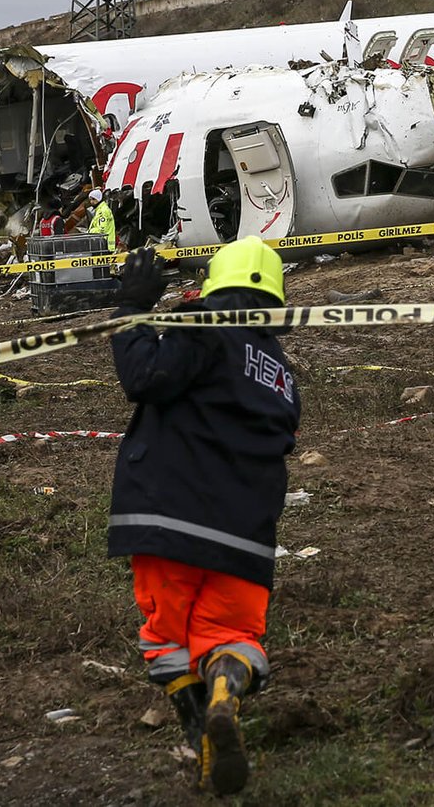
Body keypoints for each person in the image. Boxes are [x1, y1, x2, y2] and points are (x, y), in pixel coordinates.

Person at [107, 237, 299, 795]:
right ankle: (225, 694)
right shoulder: (282, 374)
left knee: (167, 639)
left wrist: (132, 308)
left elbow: (145, 377)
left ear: (213, 286)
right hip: (246, 535)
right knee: (233, 634)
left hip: (172, 517)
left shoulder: (204, 330)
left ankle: (199, 734)